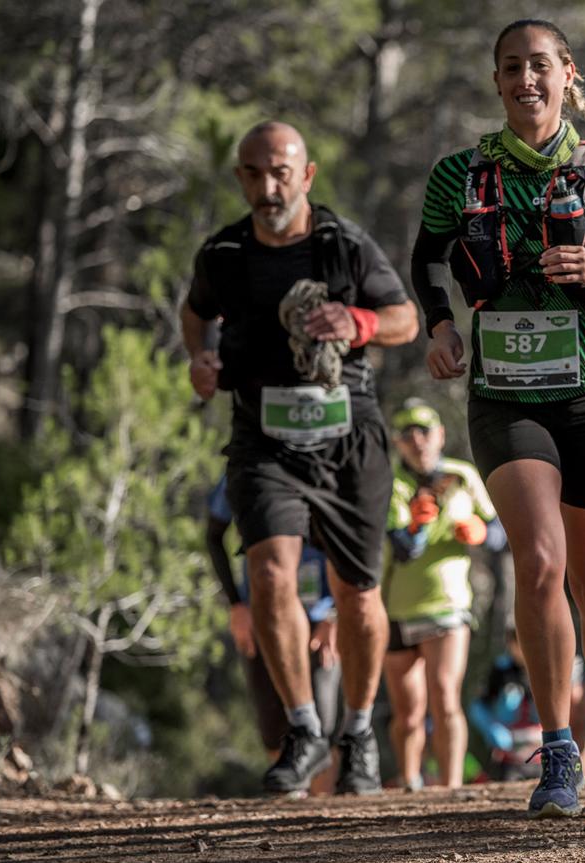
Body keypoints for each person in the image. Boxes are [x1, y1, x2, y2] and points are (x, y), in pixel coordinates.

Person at [411, 19, 585, 819]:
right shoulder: (460, 175)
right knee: (539, 562)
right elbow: (426, 256)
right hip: (505, 396)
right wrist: (438, 324)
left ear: (567, 73)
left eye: (540, 65)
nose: (525, 80)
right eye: (511, 68)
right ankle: (559, 752)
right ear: (497, 81)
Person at [181, 121, 419, 795]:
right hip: (264, 438)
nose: (268, 186)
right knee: (269, 572)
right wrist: (201, 359)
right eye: (254, 173)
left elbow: (404, 318)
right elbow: (193, 313)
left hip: (348, 437)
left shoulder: (342, 246)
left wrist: (359, 323)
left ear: (307, 174)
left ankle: (358, 730)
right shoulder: (223, 254)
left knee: (357, 594)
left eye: (281, 172)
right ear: (240, 179)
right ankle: (305, 728)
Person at [382, 399, 504, 790]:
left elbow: (500, 531)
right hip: (397, 607)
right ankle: (410, 782)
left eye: (424, 431)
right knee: (407, 711)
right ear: (398, 443)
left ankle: (450, 789)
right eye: (407, 434)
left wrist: (481, 532)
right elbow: (402, 549)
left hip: (448, 603)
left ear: (440, 435)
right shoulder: (390, 483)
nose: (417, 440)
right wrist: (418, 524)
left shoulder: (463, 476)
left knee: (445, 696)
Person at [205, 474, 342, 794]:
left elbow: (353, 540)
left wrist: (336, 613)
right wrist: (236, 605)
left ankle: (323, 816)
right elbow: (213, 536)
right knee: (271, 722)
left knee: (322, 725)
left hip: (319, 620)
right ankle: (291, 804)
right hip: (261, 618)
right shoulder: (242, 470)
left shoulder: (323, 466)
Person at [468, 625, 544, 782]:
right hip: (508, 759)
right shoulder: (501, 671)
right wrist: (492, 728)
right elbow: (479, 706)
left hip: (541, 756)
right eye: (518, 644)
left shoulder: (544, 668)